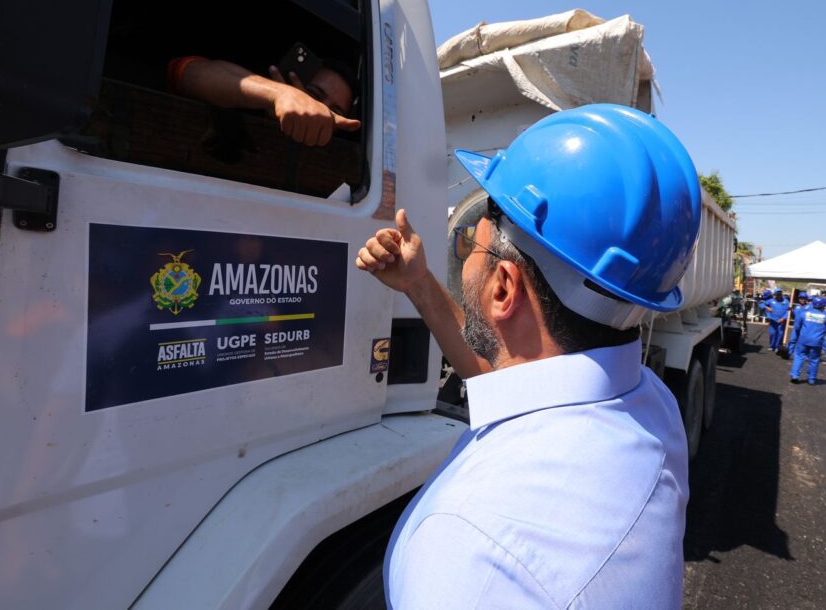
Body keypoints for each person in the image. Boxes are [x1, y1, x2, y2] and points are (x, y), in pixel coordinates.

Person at [355, 104, 699, 608]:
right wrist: (419, 284)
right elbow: (502, 376)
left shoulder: (467, 547)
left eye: (473, 237)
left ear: (503, 287)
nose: (468, 248)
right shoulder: (652, 407)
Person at [166, 55, 361, 147]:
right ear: (289, 80)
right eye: (315, 95)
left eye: (335, 110)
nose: (320, 110)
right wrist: (280, 94)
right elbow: (188, 73)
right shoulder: (248, 107)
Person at [790, 296, 826, 384]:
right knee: (814, 360)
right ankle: (811, 379)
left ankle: (795, 375)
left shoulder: (804, 313)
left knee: (799, 356)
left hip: (803, 340)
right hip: (816, 341)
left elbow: (797, 327)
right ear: (824, 305)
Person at [764, 288, 790, 352]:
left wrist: (784, 318)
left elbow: (788, 311)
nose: (778, 295)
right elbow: (761, 304)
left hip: (782, 321)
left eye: (780, 294)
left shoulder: (786, 301)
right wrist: (767, 307)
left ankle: (777, 346)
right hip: (773, 321)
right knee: (772, 334)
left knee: (780, 334)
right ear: (775, 295)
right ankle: (771, 345)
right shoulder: (771, 300)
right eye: (777, 294)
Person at [787, 291, 810, 356]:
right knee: (792, 340)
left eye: (804, 298)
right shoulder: (796, 307)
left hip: (804, 328)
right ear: (799, 299)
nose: (802, 300)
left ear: (806, 299)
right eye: (801, 298)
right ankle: (789, 353)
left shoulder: (809, 308)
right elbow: (794, 316)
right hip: (796, 327)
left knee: (802, 342)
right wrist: (791, 311)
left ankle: (801, 354)